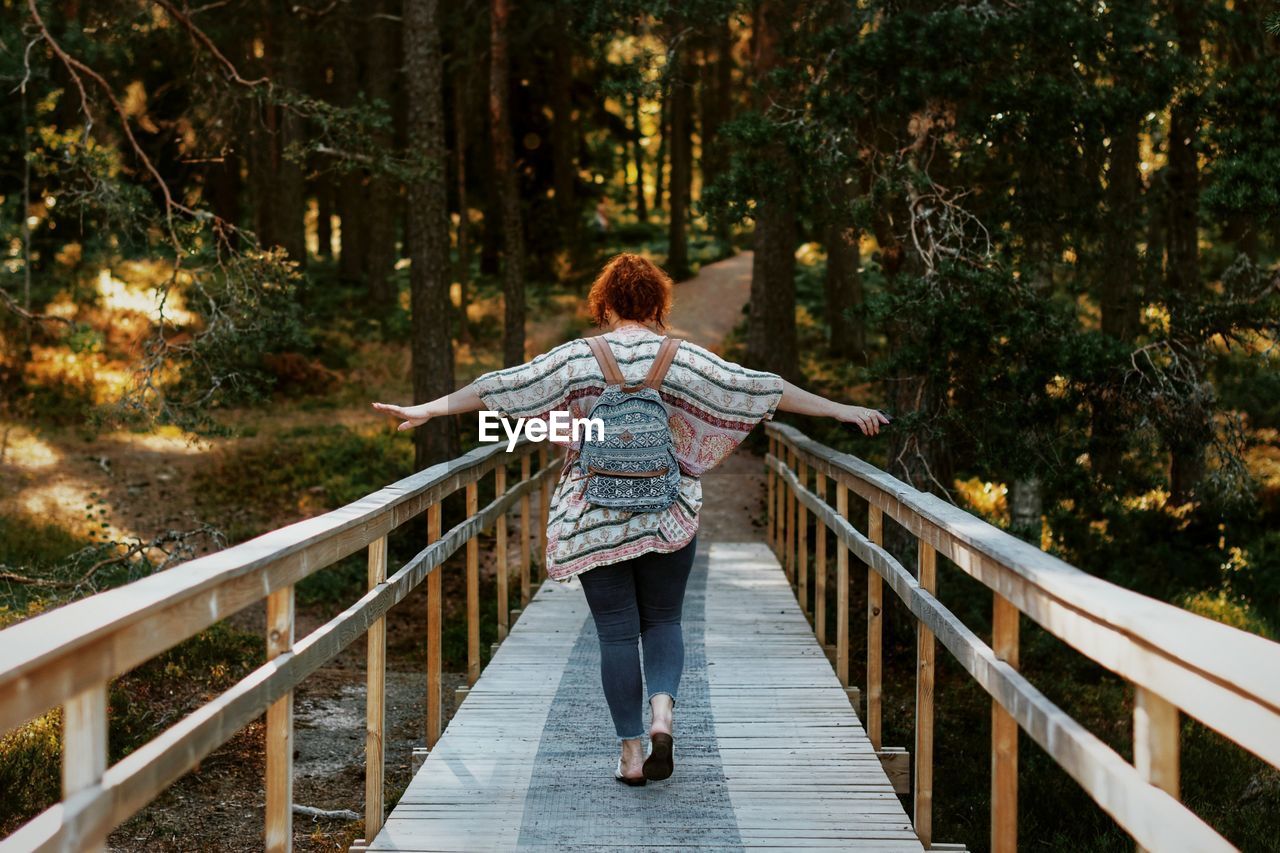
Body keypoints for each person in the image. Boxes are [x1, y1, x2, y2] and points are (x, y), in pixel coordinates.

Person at [372, 252, 889, 786]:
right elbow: (762, 388)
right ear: (658, 304)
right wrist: (843, 410)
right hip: (666, 511)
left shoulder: (577, 358)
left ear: (606, 303)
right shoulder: (680, 357)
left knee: (617, 636)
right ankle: (662, 713)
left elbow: (501, 386)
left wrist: (428, 409)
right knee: (663, 621)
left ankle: (630, 754)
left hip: (594, 515)